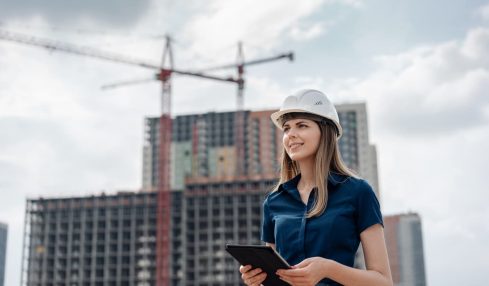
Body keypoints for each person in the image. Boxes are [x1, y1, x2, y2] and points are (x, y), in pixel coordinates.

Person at [239, 89, 392, 286]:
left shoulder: (358, 192)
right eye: (286, 128)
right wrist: (257, 281)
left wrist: (328, 269)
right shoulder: (274, 202)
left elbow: (383, 281)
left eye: (301, 125)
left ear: (325, 132)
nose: (291, 134)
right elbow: (275, 278)